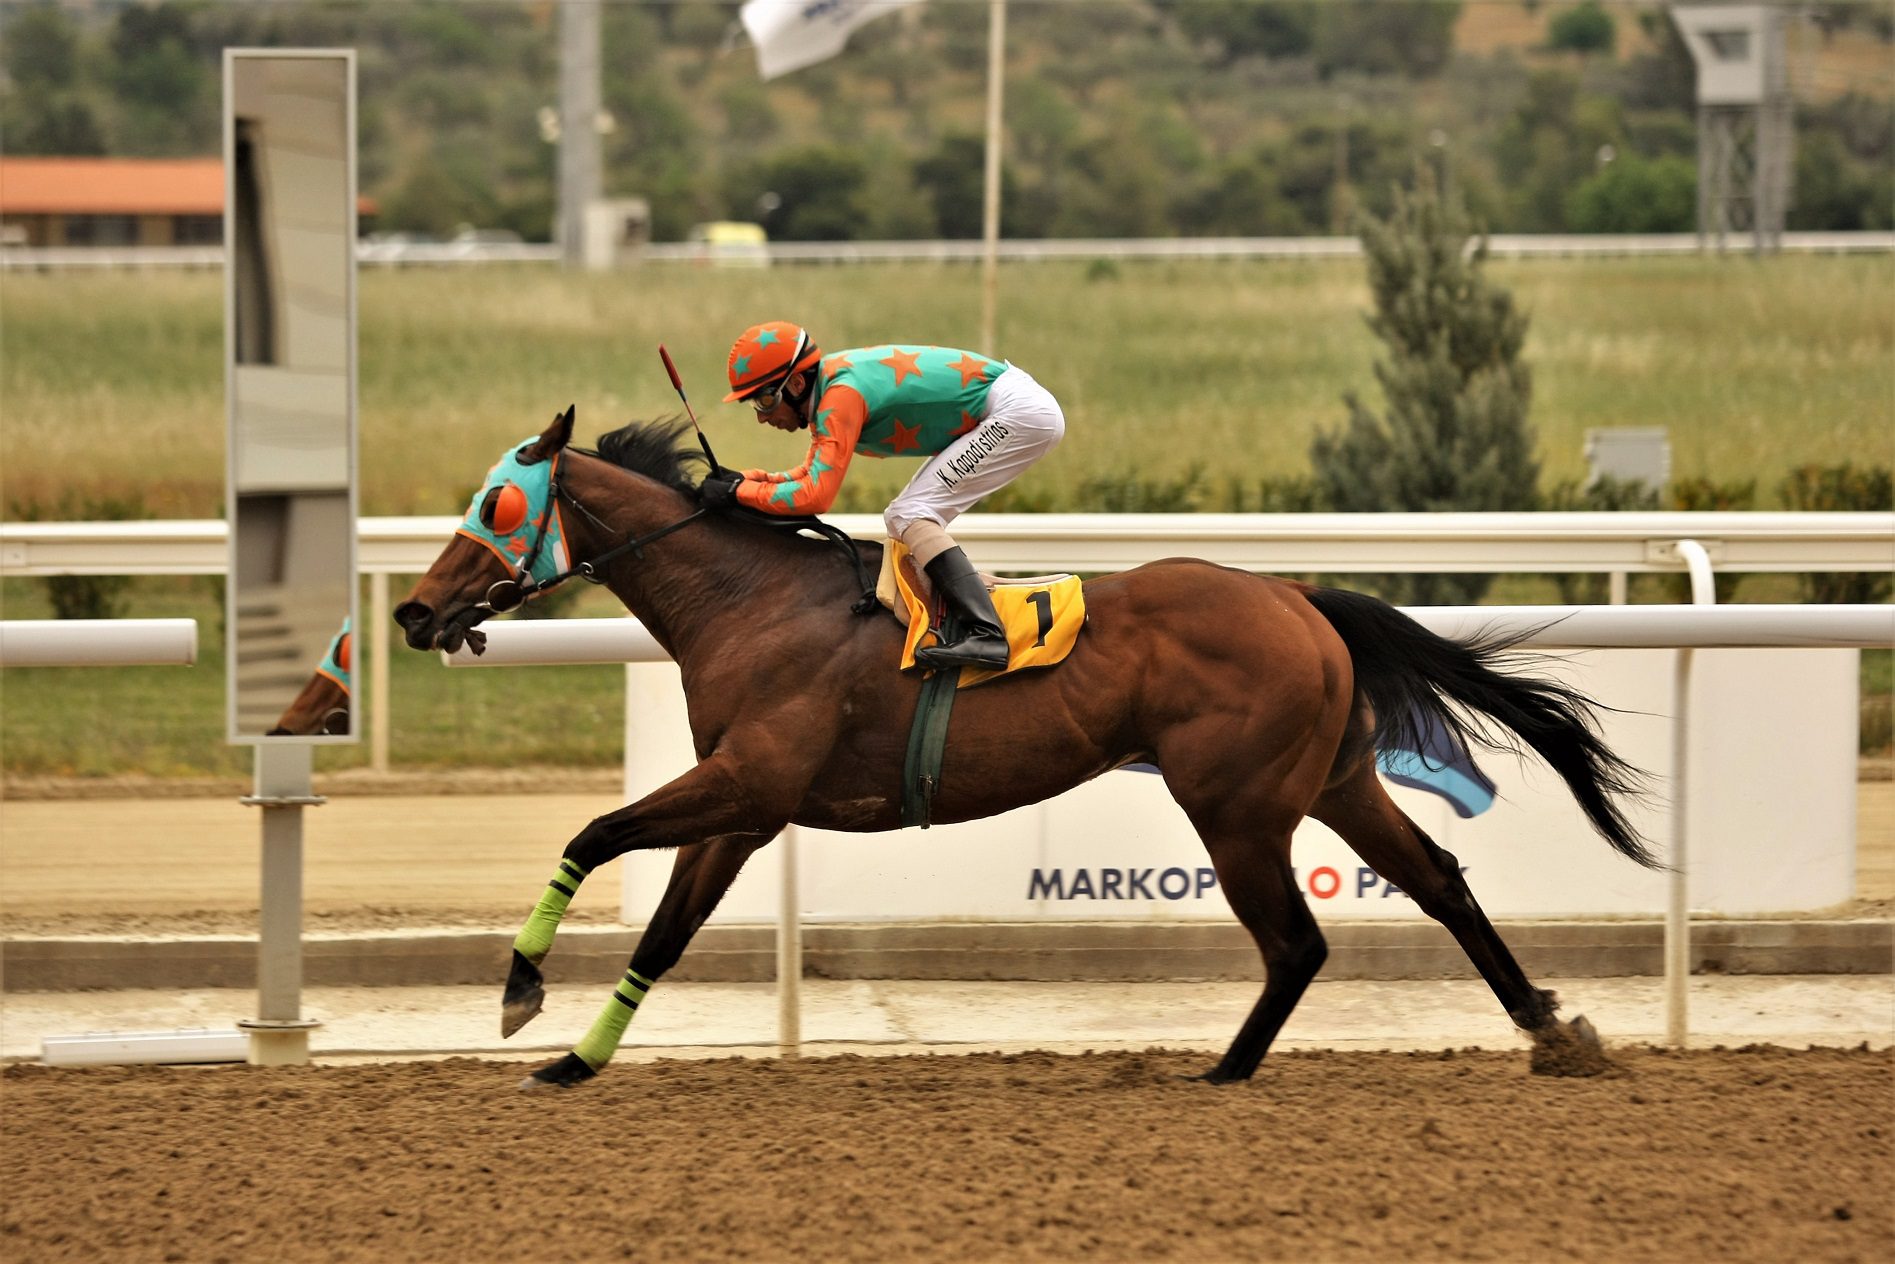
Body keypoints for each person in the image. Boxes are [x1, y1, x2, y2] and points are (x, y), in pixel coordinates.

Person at [703, 321, 1065, 672]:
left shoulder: (840, 396)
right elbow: (807, 474)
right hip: (1015, 405)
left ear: (796, 383)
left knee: (910, 513)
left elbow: (816, 495)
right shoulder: (830, 389)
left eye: (766, 400)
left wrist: (739, 493)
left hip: (1017, 413)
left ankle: (986, 633)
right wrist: (747, 480)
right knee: (902, 517)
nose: (763, 418)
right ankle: (959, 621)